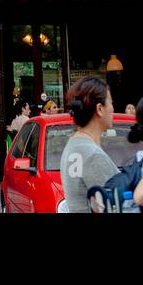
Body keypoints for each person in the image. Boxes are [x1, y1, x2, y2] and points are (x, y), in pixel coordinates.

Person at [57, 77, 119, 214]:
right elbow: (115, 205)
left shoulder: (74, 145)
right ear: (100, 109)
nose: (113, 108)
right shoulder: (92, 154)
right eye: (111, 103)